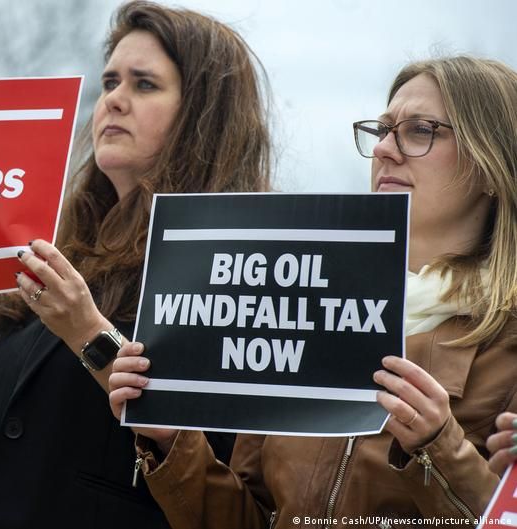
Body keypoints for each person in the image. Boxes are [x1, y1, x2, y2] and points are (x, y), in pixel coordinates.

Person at [0, 2, 271, 528]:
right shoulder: (52, 243)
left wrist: (89, 334)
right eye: (110, 81)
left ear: (205, 115)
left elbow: (202, 451)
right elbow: (8, 416)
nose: (114, 100)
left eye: (144, 85)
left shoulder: (230, 268)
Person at [109, 55, 517, 528]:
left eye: (421, 130)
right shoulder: (305, 306)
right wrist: (172, 440)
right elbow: (252, 518)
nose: (385, 149)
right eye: (382, 130)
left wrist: (439, 445)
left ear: (492, 164)